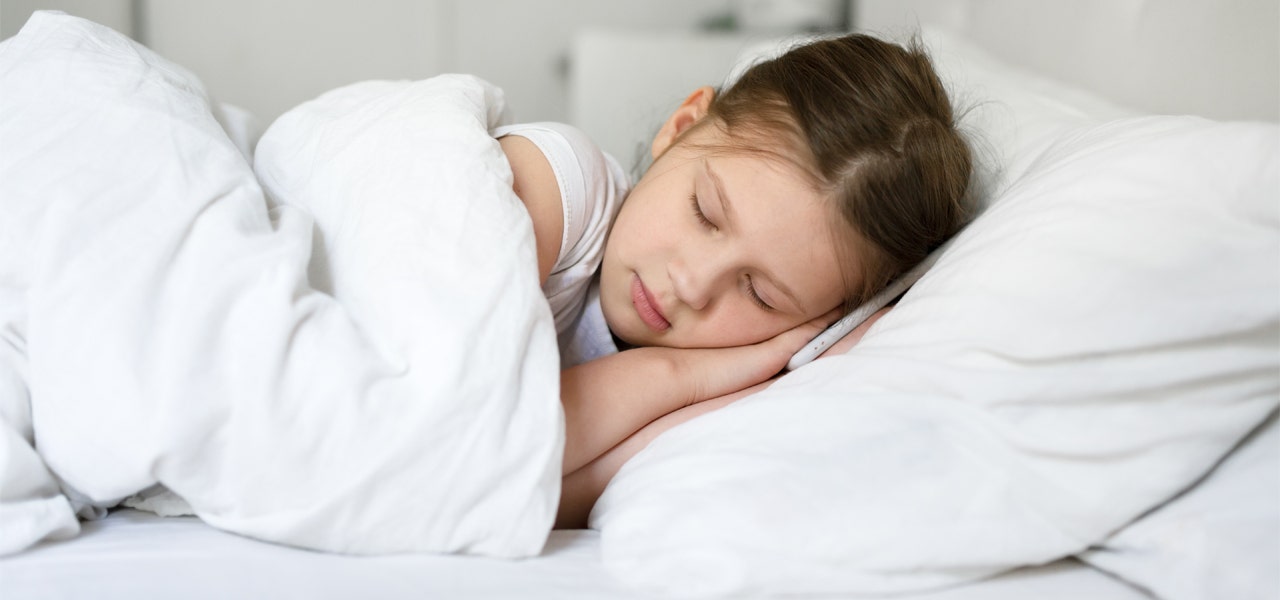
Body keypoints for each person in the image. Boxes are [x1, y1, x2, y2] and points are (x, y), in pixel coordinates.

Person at [496, 33, 972, 528]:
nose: (692, 285)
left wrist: (749, 381)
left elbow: (506, 493)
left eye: (759, 295)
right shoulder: (565, 187)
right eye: (705, 214)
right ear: (681, 127)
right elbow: (477, 438)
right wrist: (680, 377)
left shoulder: (726, 393)